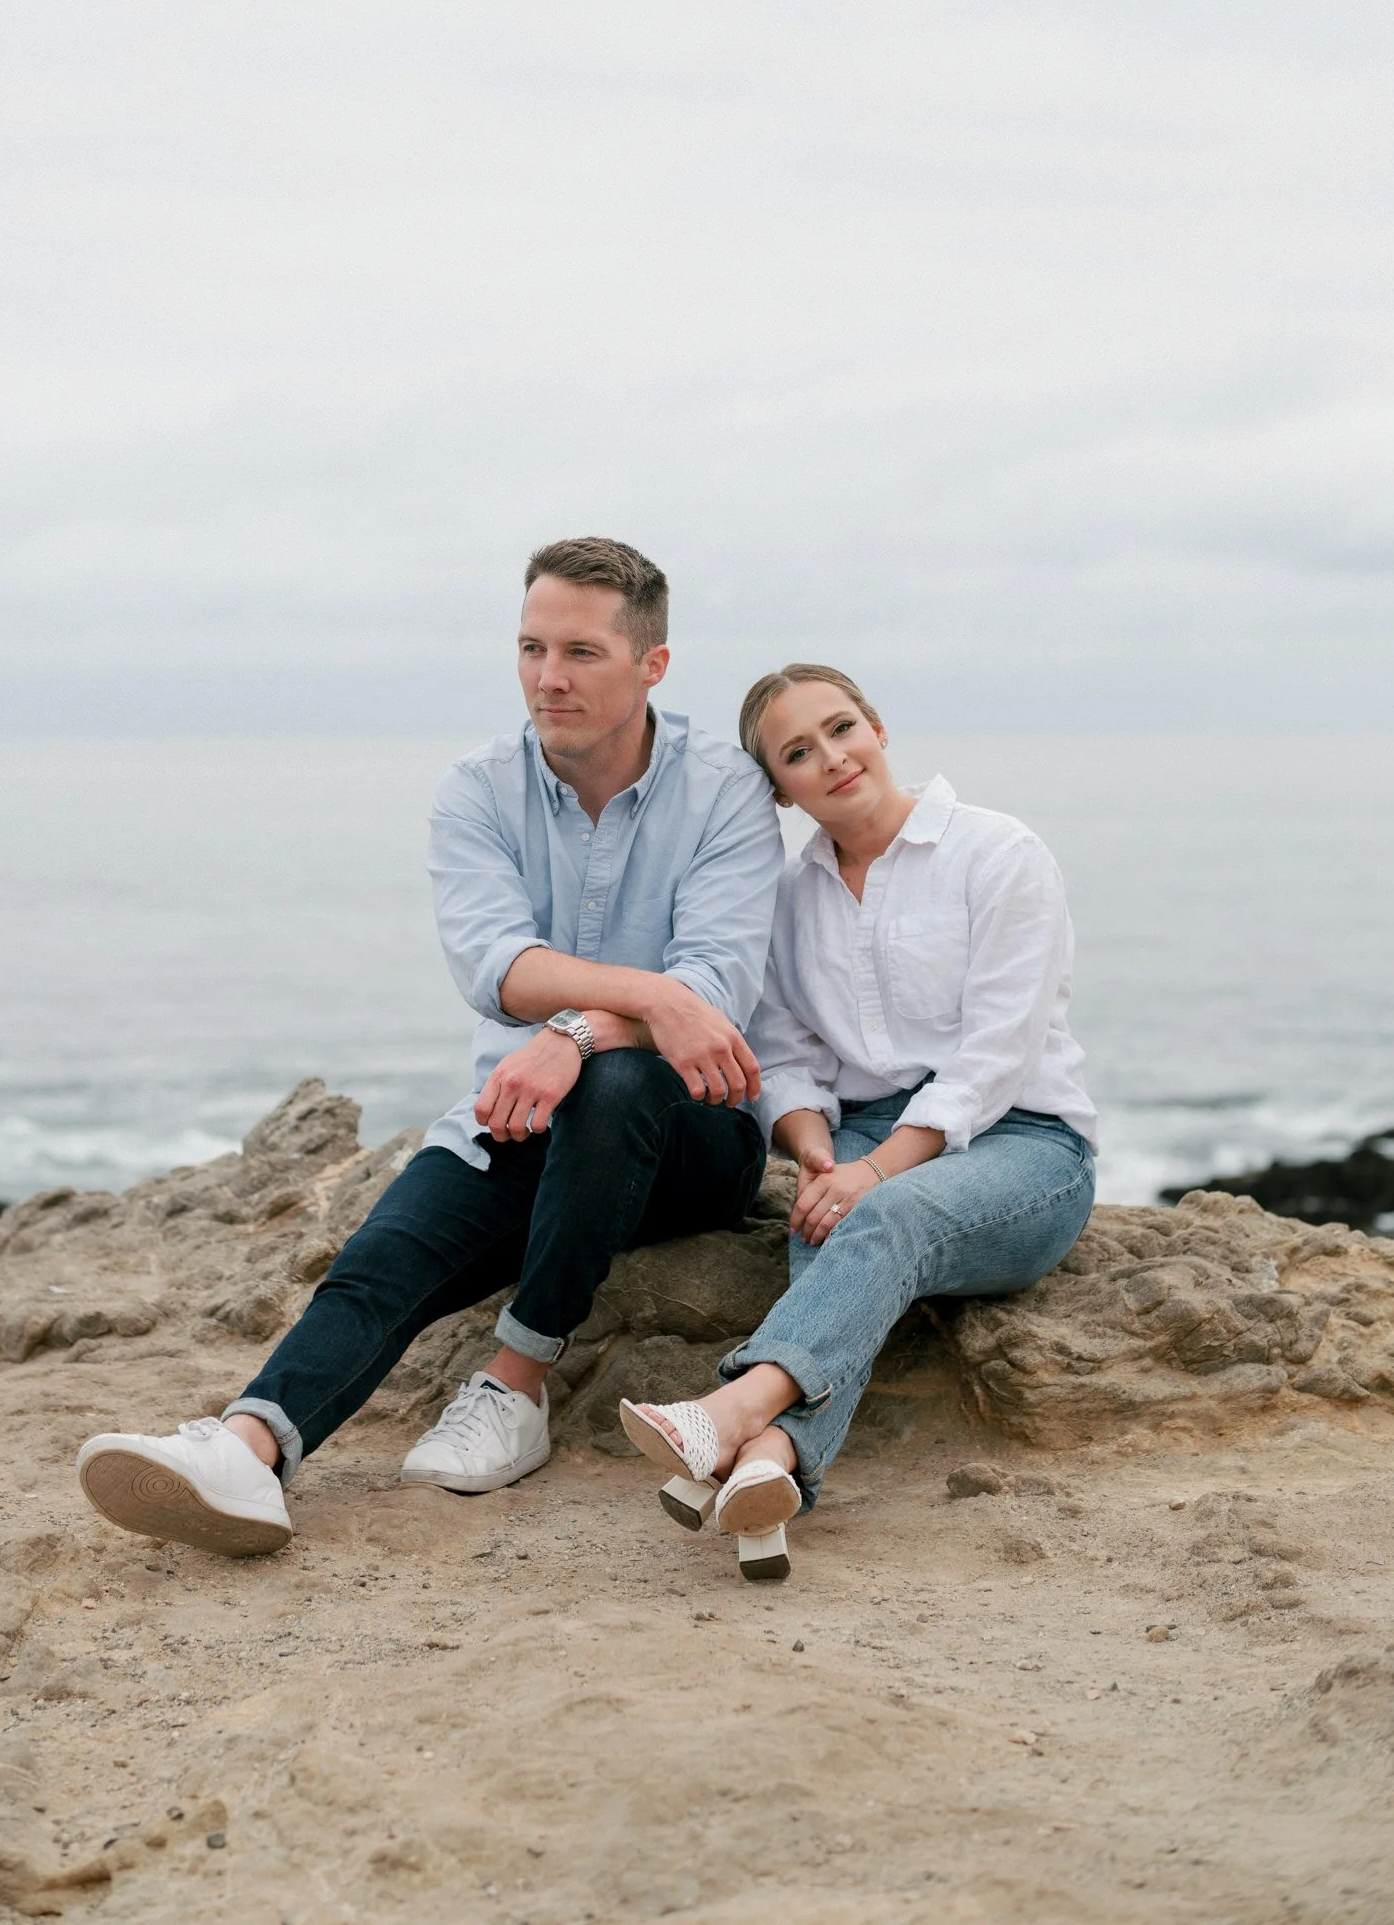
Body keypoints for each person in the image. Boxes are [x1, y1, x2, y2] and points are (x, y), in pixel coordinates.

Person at [76, 537, 785, 1557]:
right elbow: (494, 966)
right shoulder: (478, 789)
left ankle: (518, 1383)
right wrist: (614, 1009)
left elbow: (712, 991)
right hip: (528, 1114)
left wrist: (581, 1034)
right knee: (384, 1258)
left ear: (653, 666)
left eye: (583, 651)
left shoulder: (723, 790)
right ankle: (248, 1450)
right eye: (533, 646)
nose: (550, 676)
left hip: (694, 1137)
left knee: (622, 1079)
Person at [619, 662, 1097, 1582]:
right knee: (828, 1216)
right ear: (781, 788)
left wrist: (872, 1175)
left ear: (877, 726)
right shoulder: (790, 900)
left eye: (842, 728)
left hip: (1028, 1145)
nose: (832, 758)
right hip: (860, 1144)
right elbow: (786, 1050)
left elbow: (996, 1053)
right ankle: (768, 1468)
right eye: (799, 752)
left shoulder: (999, 853)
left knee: (878, 1214)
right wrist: (817, 1154)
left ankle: (725, 1414)